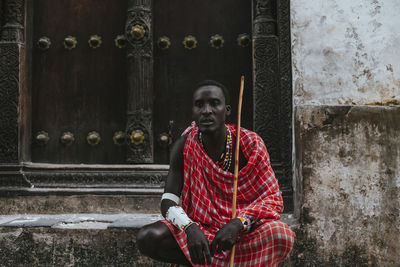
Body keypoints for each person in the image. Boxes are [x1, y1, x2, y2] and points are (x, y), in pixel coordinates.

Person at [137, 80, 295, 266]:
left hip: (242, 232)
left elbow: (272, 200)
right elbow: (168, 201)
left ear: (227, 110)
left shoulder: (250, 144)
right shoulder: (184, 145)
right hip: (202, 231)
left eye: (214, 103)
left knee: (281, 235)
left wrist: (238, 223)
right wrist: (190, 228)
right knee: (148, 237)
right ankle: (208, 259)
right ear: (193, 112)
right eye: (199, 105)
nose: (206, 111)